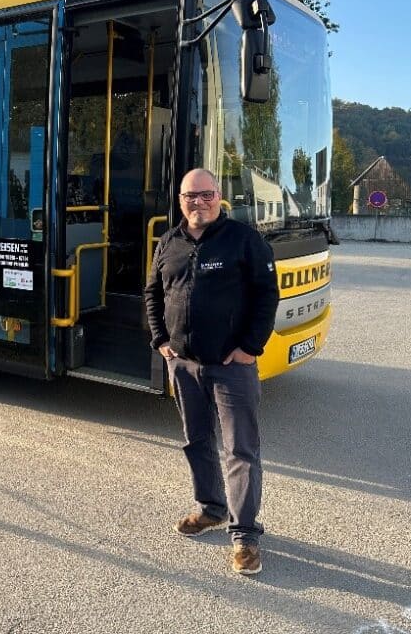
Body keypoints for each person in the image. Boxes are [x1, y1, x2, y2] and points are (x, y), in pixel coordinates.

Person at [144, 168, 279, 575]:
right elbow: (153, 292)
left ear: (219, 196)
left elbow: (266, 295)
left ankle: (245, 536)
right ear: (180, 201)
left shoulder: (243, 239)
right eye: (190, 196)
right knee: (196, 440)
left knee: (240, 451)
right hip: (183, 365)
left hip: (230, 368)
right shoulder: (169, 241)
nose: (198, 202)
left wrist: (249, 349)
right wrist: (162, 343)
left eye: (206, 195)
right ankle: (210, 509)